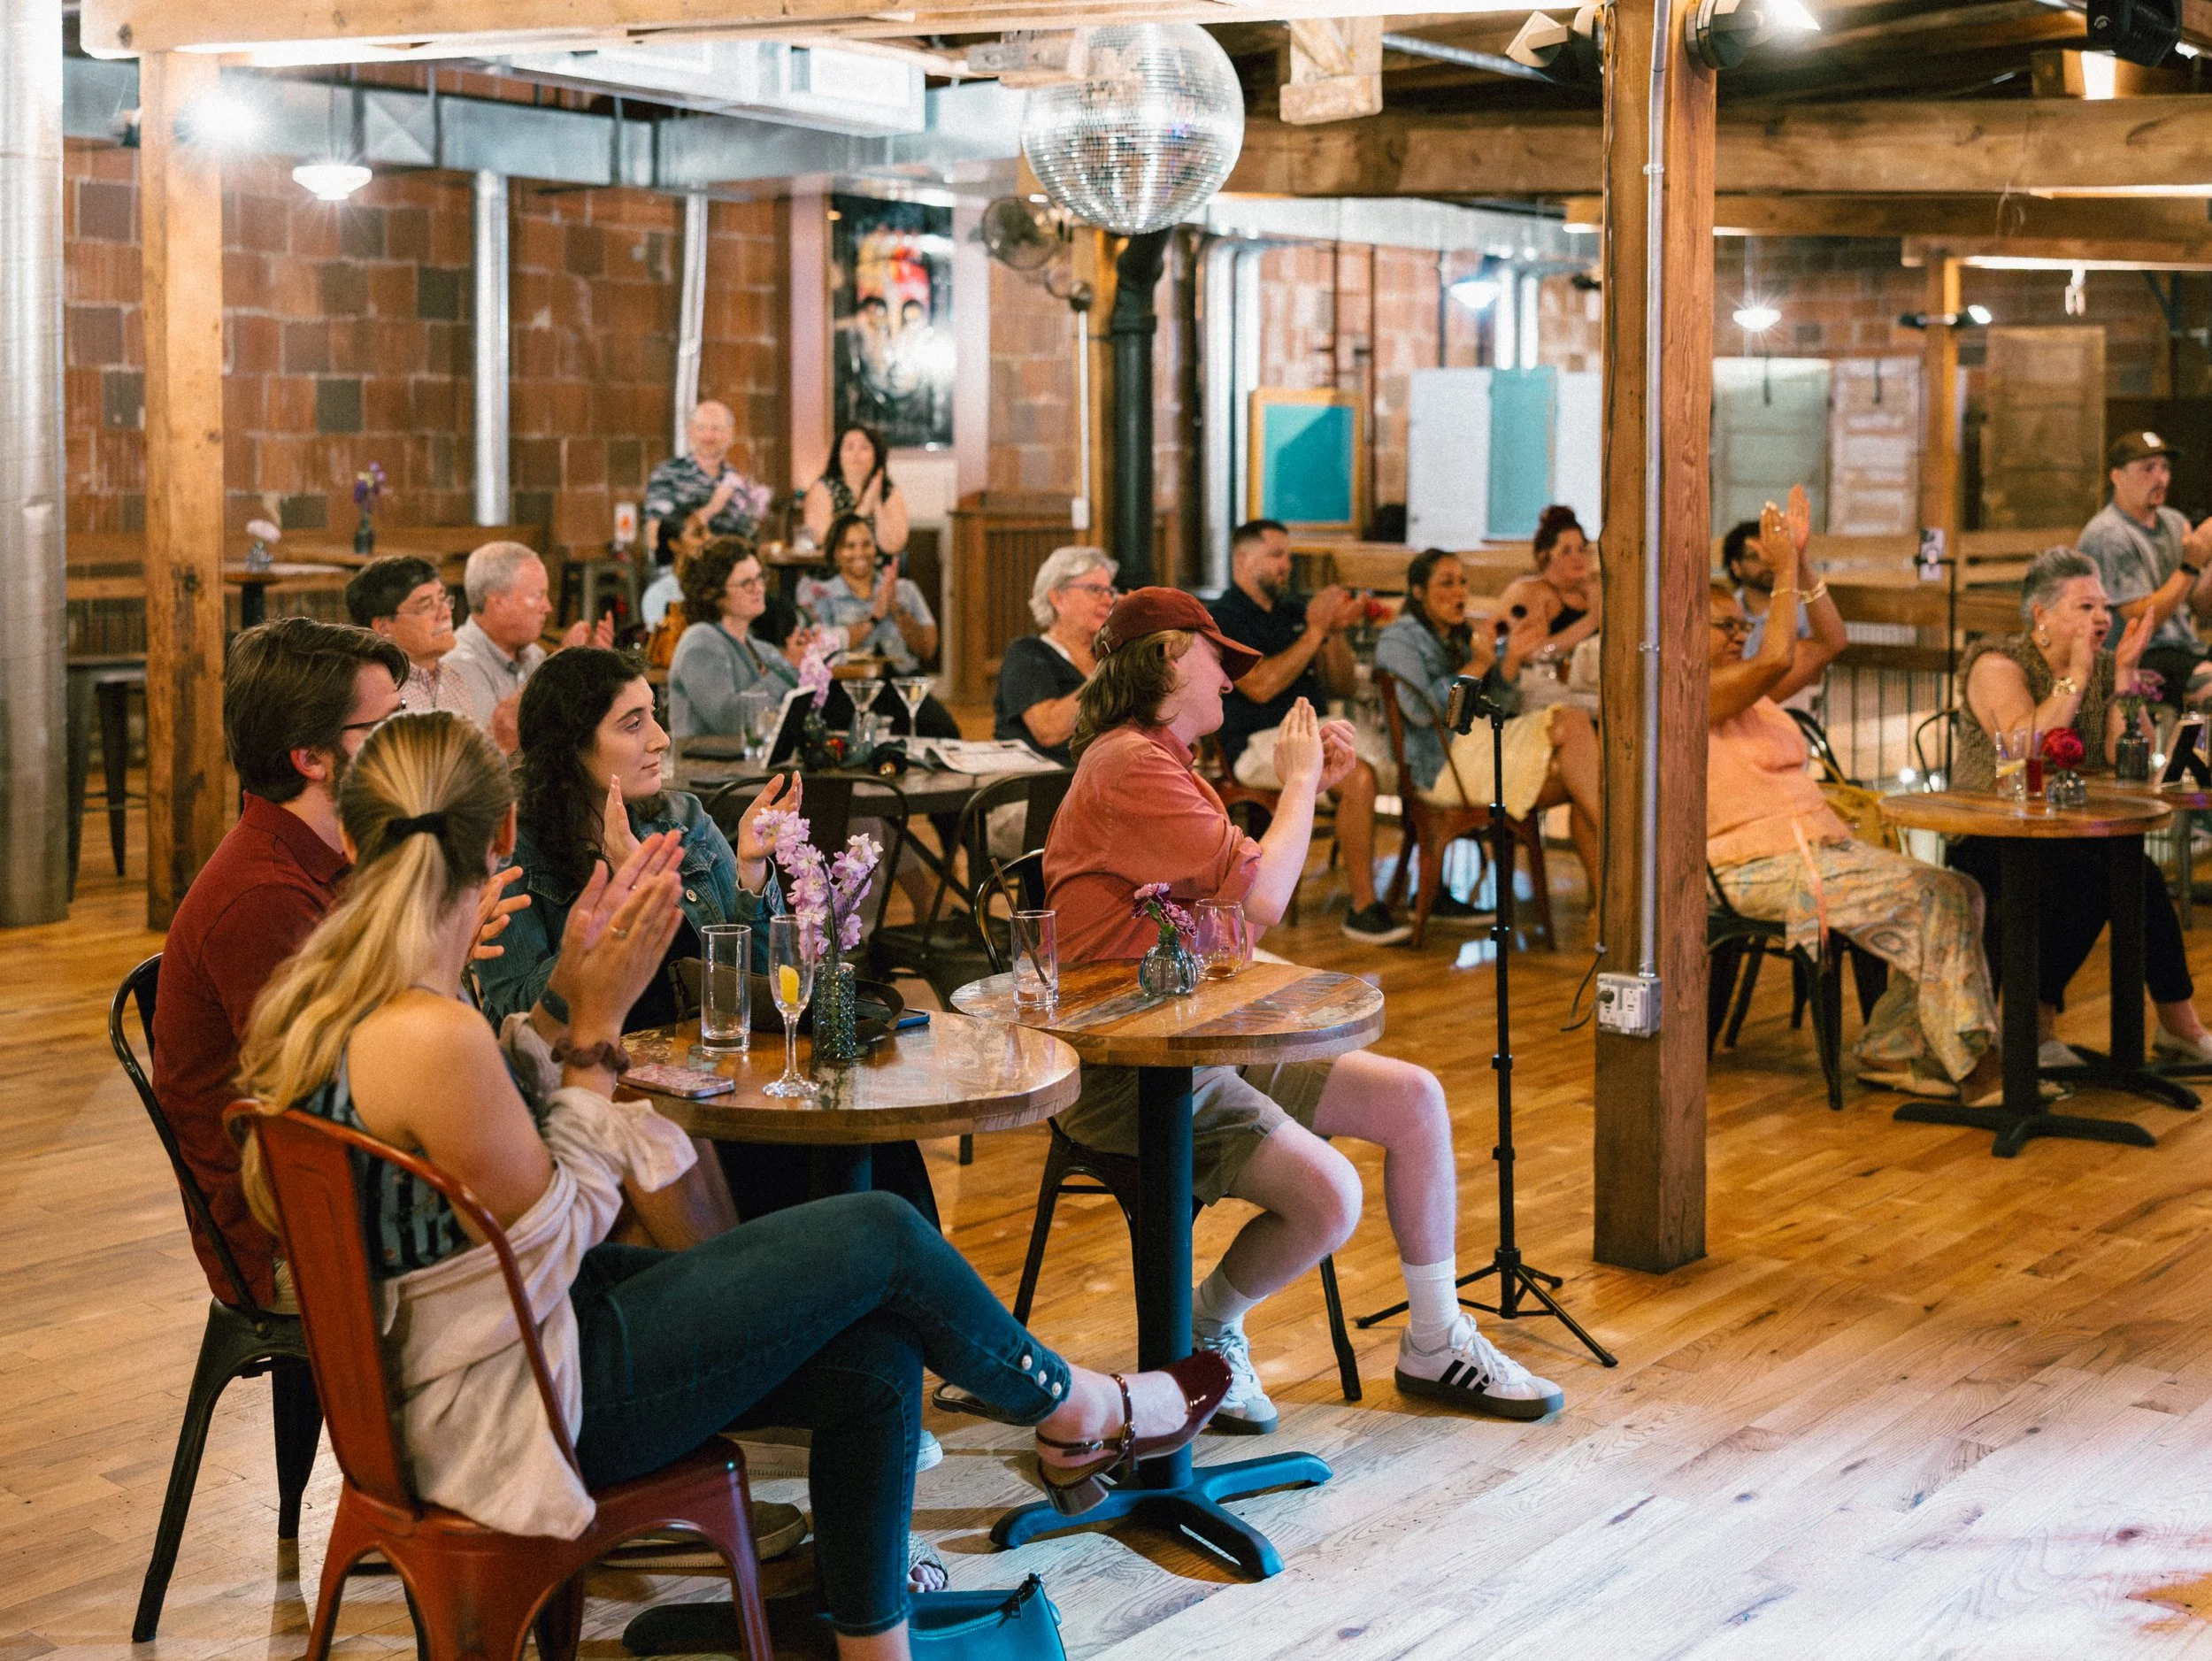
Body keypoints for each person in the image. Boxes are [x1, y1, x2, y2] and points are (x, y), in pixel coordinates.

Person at [231, 710, 1229, 1661]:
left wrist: (560, 1003)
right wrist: (592, 1037)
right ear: (495, 839)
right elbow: (560, 1229)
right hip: (518, 1400)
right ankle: (1081, 1407)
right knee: (879, 1225)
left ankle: (873, 1640)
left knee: (875, 1352)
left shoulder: (333, 997)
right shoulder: (427, 1032)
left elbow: (490, 1165)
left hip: (473, 1360)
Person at [1044, 586, 1565, 1432]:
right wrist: (1298, 784)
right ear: (1172, 659)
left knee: (1415, 1099)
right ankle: (1211, 1328)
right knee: (1332, 1194)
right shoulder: (1129, 764)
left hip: (1197, 1028)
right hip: (1131, 1063)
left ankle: (1434, 1339)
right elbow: (1264, 903)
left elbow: (1235, 902)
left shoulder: (1161, 760)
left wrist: (1308, 786)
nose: (1230, 680)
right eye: (1219, 659)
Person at [1708, 494, 2010, 1103]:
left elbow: (1832, 639)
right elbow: (1776, 654)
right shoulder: (1692, 693)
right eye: (1725, 626)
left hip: (1815, 850)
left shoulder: (1754, 694)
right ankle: (1975, 1063)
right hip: (1751, 866)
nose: (1740, 635)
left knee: (1961, 892)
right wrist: (1780, 571)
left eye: (1742, 625)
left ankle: (1893, 1048)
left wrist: (1802, 561)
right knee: (1941, 894)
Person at [151, 618, 408, 1308]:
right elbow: (340, 1095)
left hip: (345, 1187)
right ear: (311, 758)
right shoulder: (263, 894)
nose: (407, 747)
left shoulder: (337, 854)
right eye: (383, 729)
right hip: (290, 1238)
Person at [1953, 545, 2212, 1066]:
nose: (2101, 617)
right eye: (2084, 607)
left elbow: (2126, 758)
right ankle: (2045, 1030)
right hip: (1992, 836)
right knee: (2102, 874)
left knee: (2129, 871)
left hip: (2069, 832)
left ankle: (2170, 1028)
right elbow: (2027, 745)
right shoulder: (1997, 663)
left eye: (2104, 607)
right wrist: (2073, 675)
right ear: (2041, 616)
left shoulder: (2096, 668)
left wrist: (2123, 675)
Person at [1210, 520, 1406, 944]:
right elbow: (1260, 687)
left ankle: (1425, 894)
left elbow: (1342, 686)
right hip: (1257, 742)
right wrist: (1315, 631)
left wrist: (1332, 634)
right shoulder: (1223, 616)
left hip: (1310, 729)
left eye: (1289, 556)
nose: (1287, 566)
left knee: (1388, 763)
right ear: (1243, 560)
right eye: (1277, 555)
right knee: (1360, 777)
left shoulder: (1295, 610)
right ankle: (1363, 908)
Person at [1373, 548, 1604, 896]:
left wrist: (1509, 658)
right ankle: (1623, 851)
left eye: (1463, 582)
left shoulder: (1459, 634)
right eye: (1447, 583)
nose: (1460, 592)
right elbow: (1419, 712)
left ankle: (1603, 905)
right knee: (1572, 724)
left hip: (1474, 749)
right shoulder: (1400, 638)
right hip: (1439, 766)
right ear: (1418, 592)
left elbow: (1498, 705)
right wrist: (1478, 666)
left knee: (1580, 772)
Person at [2076, 431, 2212, 710]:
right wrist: (2190, 566)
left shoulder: (2174, 522)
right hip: (2133, 654)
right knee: (2208, 687)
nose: (2160, 478)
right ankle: (2184, 755)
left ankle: (2187, 753)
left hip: (2183, 647)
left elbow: (2199, 604)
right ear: (2116, 476)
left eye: (2165, 468)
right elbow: (2138, 623)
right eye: (2148, 468)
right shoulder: (2108, 534)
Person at [444, 542, 613, 751]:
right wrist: (558, 668)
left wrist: (588, 667)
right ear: (497, 602)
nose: (548, 608)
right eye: (538, 595)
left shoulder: (533, 653)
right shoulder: (458, 666)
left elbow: (566, 731)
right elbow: (489, 755)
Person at [667, 540, 819, 742]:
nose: (759, 588)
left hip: (743, 768)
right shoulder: (700, 642)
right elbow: (728, 720)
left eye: (759, 577)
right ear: (712, 593)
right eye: (746, 583)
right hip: (704, 771)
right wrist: (790, 665)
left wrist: (800, 662)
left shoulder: (758, 647)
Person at [993, 545, 1116, 765]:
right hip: (1044, 787)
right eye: (1095, 589)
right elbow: (1048, 731)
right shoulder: (1027, 654)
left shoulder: (1107, 654)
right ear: (1057, 598)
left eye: (1109, 591)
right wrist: (1111, 673)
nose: (1107, 600)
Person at [799, 512, 940, 680]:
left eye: (867, 544)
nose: (860, 553)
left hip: (904, 682)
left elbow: (928, 650)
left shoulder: (904, 589)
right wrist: (874, 618)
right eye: (849, 546)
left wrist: (895, 606)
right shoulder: (818, 592)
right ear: (836, 552)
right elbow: (817, 649)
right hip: (847, 684)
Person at [345, 556, 470, 717]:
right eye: (427, 606)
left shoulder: (454, 678)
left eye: (443, 599)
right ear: (383, 628)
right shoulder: (376, 694)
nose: (445, 613)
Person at [643, 400, 772, 556]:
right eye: (701, 428)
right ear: (690, 432)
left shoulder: (737, 482)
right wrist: (711, 508)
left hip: (733, 574)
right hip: (682, 573)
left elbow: (750, 541)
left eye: (717, 429)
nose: (708, 436)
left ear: (731, 434)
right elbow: (656, 539)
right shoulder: (667, 474)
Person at [1499, 504, 1601, 670]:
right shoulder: (1530, 591)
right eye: (1566, 551)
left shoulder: (1593, 589)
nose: (1578, 558)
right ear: (1544, 557)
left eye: (1582, 549)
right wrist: (1591, 621)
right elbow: (1531, 652)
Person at [803, 424, 910, 560]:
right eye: (849, 447)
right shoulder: (823, 488)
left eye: (865, 448)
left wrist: (876, 502)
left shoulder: (888, 491)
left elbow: (894, 546)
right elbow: (825, 541)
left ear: (876, 456)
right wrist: (865, 506)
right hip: (834, 576)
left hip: (878, 576)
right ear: (838, 455)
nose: (856, 453)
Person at [641, 507, 715, 631]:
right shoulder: (659, 594)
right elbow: (663, 646)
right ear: (674, 544)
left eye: (708, 531)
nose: (709, 538)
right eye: (698, 534)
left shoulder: (718, 582)